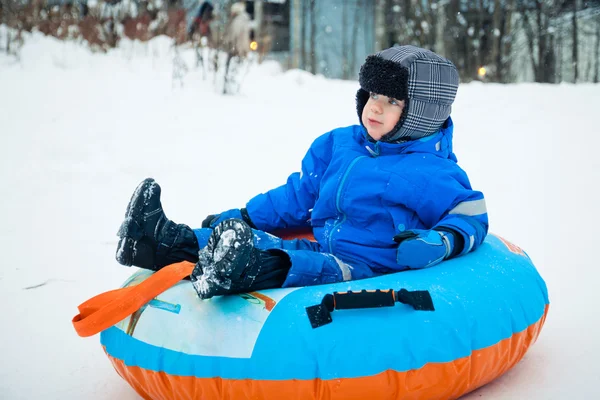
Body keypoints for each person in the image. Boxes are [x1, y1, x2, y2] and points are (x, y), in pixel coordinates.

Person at [115, 45, 489, 300]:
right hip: (323, 241)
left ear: (420, 113)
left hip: (366, 266)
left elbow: (470, 214)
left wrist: (440, 242)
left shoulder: (432, 171)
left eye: (392, 101)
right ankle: (158, 239)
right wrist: (243, 216)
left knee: (299, 264)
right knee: (264, 241)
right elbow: (299, 195)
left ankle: (236, 270)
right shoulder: (341, 144)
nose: (375, 108)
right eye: (372, 95)